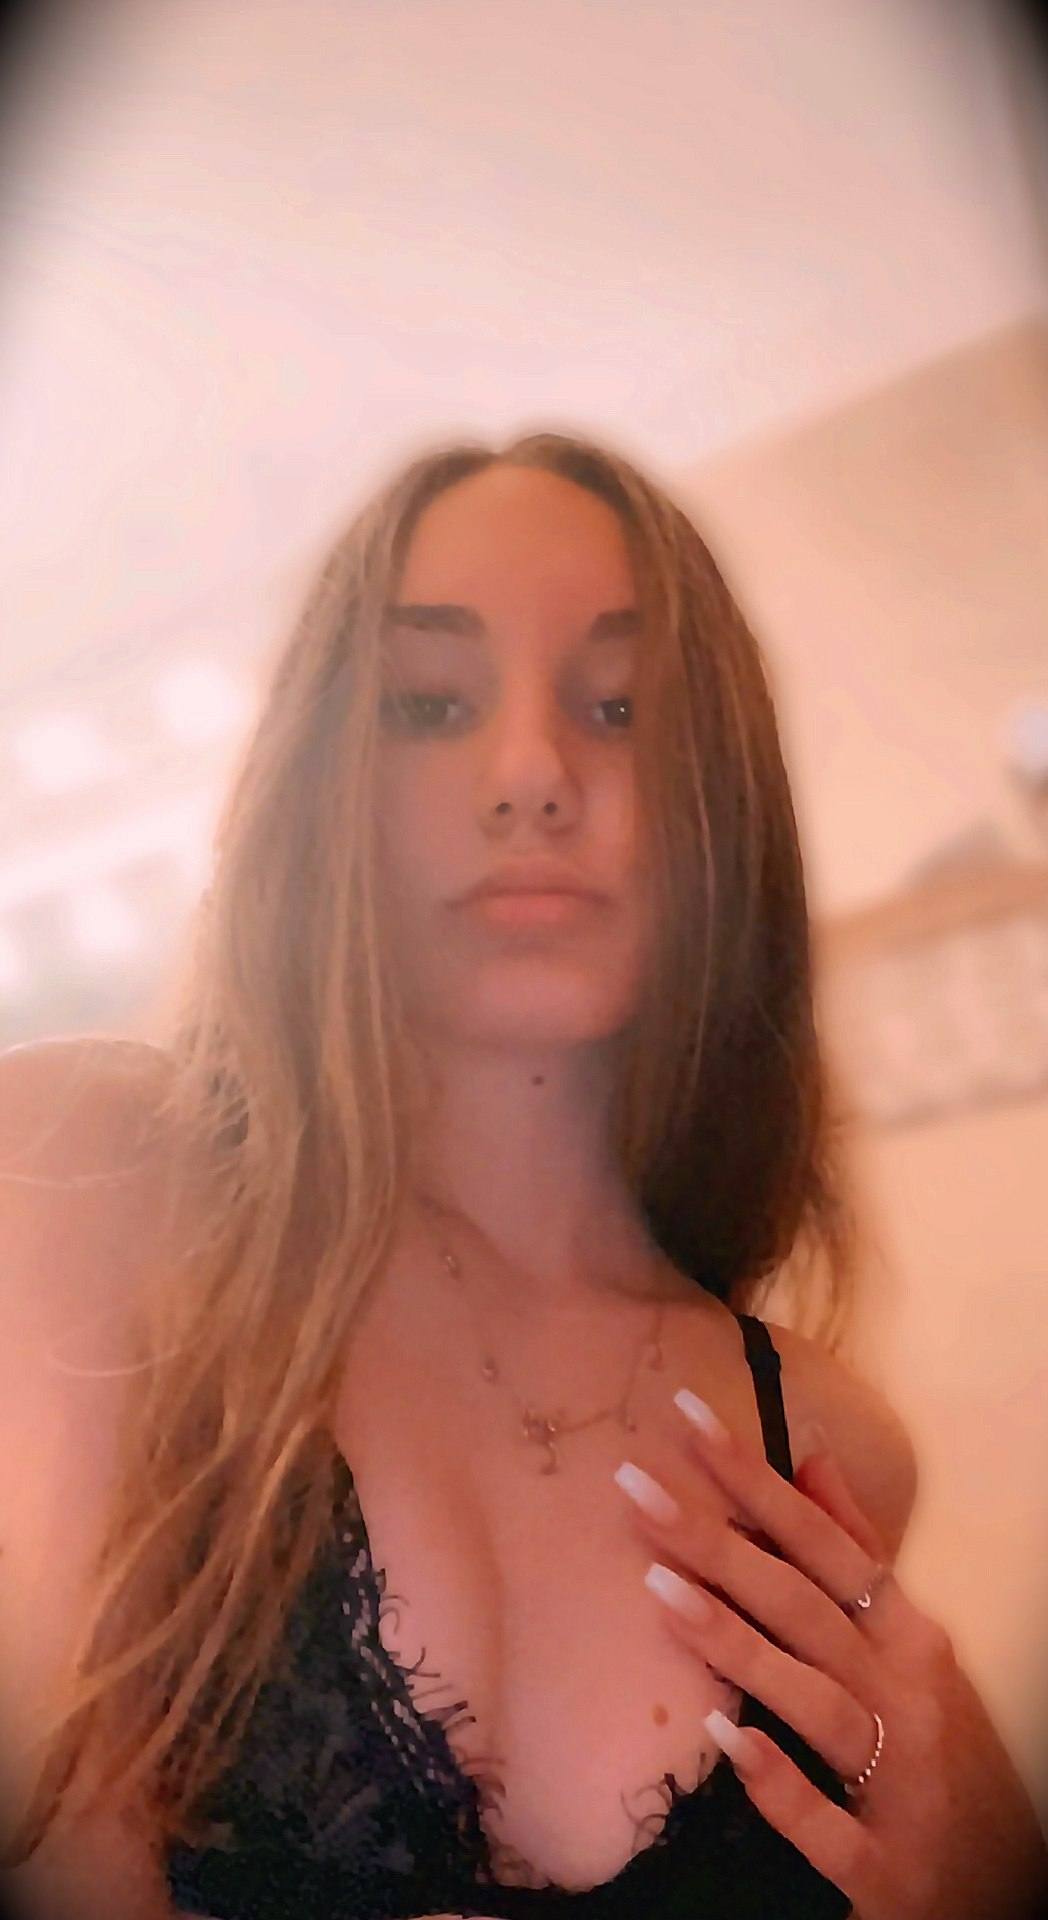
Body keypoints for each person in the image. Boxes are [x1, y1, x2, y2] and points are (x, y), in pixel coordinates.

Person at [1, 432, 1044, 1920]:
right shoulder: (75, 1180)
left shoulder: (822, 1447)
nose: (534, 774)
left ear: (721, 806)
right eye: (430, 703)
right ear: (325, 787)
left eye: (621, 707)